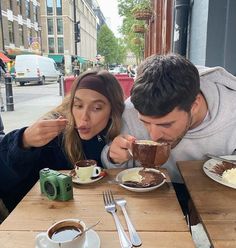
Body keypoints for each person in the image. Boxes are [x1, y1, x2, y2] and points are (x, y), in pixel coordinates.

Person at [102, 53, 236, 218]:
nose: (154, 135)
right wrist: (113, 157)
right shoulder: (131, 109)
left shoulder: (232, 110)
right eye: (145, 122)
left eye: (165, 124)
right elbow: (117, 170)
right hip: (153, 199)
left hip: (219, 201)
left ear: (194, 105)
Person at [0, 69, 124, 213]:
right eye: (78, 105)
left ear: (112, 111)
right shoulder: (55, 133)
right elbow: (9, 179)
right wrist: (23, 141)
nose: (84, 117)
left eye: (96, 108)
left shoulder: (121, 133)